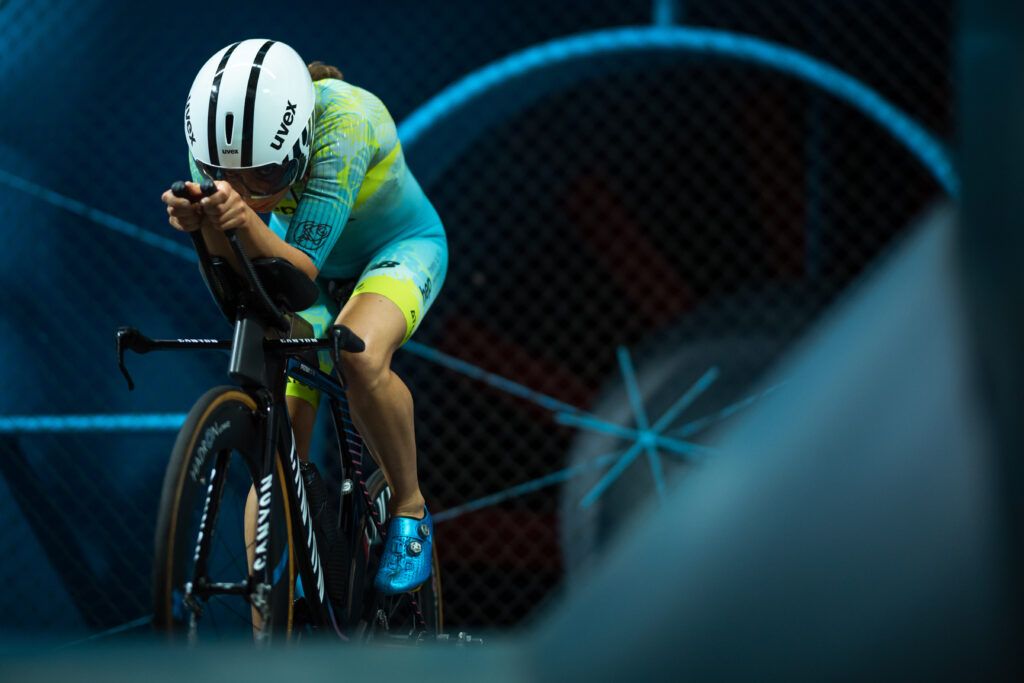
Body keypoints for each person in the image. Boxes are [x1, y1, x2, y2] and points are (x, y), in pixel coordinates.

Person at [161, 39, 447, 597]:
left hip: (394, 250)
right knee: (279, 433)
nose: (248, 192)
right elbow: (236, 281)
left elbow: (302, 273)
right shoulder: (212, 148)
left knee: (356, 351)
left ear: (299, 143)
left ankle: (410, 510)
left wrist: (237, 220)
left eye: (266, 176)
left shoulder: (347, 125)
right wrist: (204, 228)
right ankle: (265, 616)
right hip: (291, 259)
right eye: (229, 177)